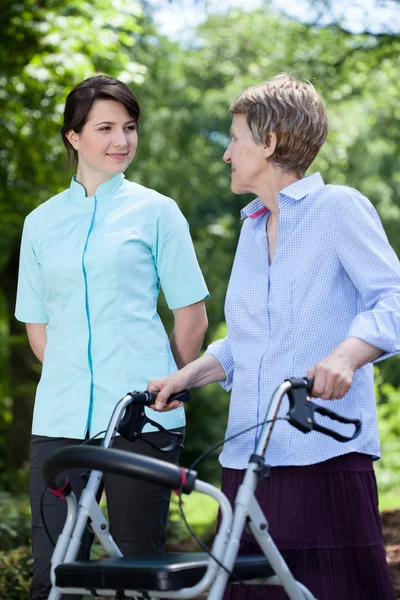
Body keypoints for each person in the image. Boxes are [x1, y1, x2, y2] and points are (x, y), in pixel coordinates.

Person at [147, 73, 400, 599]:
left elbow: (392, 299)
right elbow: (246, 343)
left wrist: (346, 358)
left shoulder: (339, 208)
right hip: (249, 457)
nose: (227, 155)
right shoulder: (252, 226)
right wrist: (187, 375)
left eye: (235, 138)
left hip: (320, 453)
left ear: (269, 141)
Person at [15, 74, 209, 600]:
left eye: (129, 127)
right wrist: (69, 378)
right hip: (58, 420)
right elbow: (37, 324)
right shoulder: (40, 223)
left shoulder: (157, 211)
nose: (121, 140)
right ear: (74, 137)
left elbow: (191, 317)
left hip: (141, 416)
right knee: (53, 576)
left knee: (139, 571)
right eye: (105, 128)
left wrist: (167, 383)